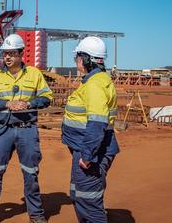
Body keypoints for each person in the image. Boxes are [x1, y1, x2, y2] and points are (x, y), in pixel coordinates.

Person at [0, 34, 53, 223]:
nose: (7, 57)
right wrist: (8, 104)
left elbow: (46, 98)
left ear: (21, 54)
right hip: (3, 130)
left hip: (27, 129)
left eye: (12, 53)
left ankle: (36, 214)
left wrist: (28, 104)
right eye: (5, 54)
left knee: (30, 172)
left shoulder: (34, 74)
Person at [62, 36, 119, 223]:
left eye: (78, 56)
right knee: (79, 195)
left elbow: (96, 124)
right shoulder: (94, 80)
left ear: (86, 58)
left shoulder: (94, 85)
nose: (76, 61)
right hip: (84, 149)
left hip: (91, 153)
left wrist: (87, 156)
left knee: (89, 202)